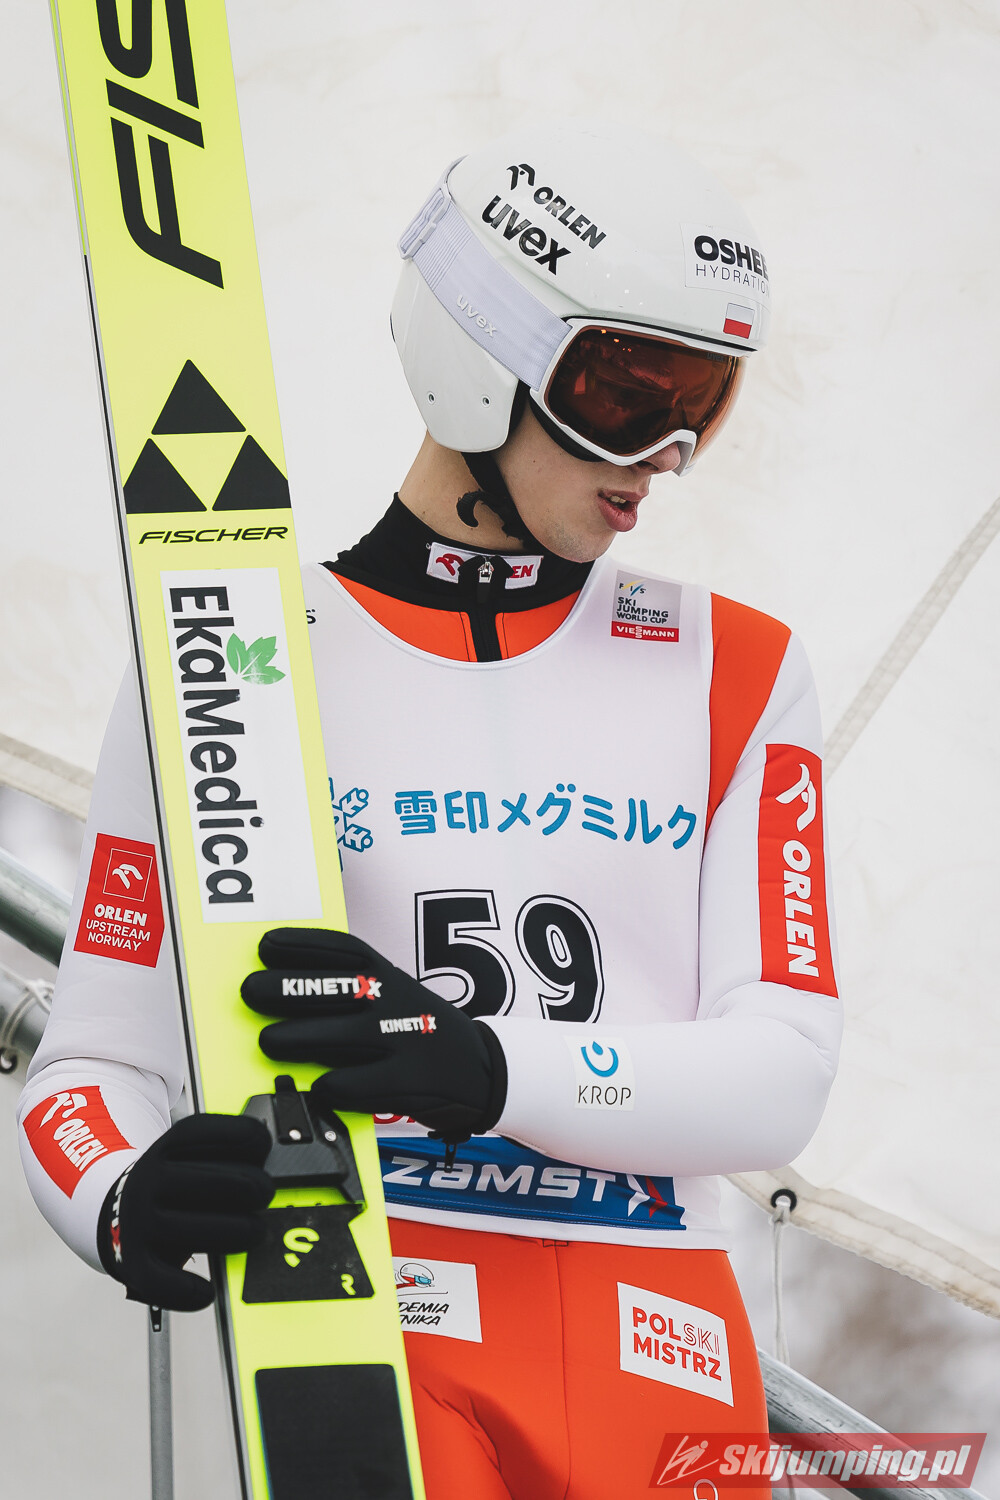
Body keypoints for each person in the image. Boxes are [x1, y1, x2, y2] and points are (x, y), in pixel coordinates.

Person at [17, 126, 841, 1498]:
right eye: (625, 392)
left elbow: (785, 1071)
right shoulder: (236, 658)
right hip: (372, 1310)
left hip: (664, 1347)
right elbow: (92, 1066)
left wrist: (489, 1067)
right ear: (482, 352)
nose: (665, 455)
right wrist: (119, 1192)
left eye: (704, 401)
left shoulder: (738, 669)